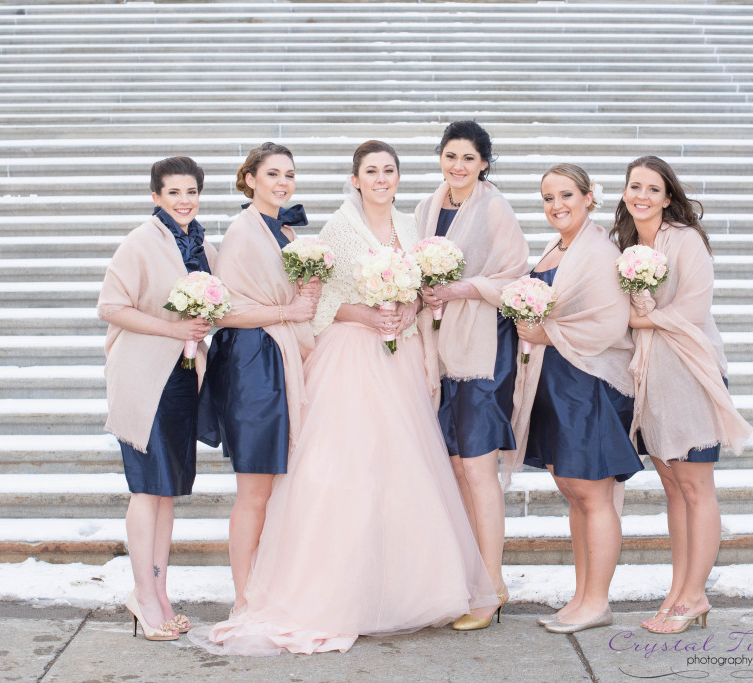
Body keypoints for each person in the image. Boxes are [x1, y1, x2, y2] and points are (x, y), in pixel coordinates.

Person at [190, 140, 497, 657]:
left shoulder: (411, 227)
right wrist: (366, 314)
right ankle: (334, 591)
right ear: (355, 179)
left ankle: (399, 591)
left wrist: (405, 310)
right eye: (371, 171)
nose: (381, 179)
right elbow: (323, 300)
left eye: (389, 170)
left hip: (400, 356)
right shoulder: (336, 227)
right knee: (344, 472)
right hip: (351, 355)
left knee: (402, 472)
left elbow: (421, 291)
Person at [610, 156, 753, 635]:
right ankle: (680, 590)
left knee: (697, 487)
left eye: (653, 188)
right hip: (652, 379)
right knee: (673, 487)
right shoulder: (624, 243)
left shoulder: (685, 240)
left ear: (668, 196)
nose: (642, 196)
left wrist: (636, 319)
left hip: (690, 372)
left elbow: (694, 307)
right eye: (635, 187)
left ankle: (695, 594)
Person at [507, 164, 643, 634]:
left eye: (566, 195)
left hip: (587, 386)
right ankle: (582, 597)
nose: (556, 205)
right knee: (573, 493)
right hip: (555, 382)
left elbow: (609, 323)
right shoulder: (556, 246)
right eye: (547, 198)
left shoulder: (599, 251)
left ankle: (598, 601)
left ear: (589, 198)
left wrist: (545, 332)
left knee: (592, 493)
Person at [196, 143, 320, 616]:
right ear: (250, 179)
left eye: (289, 174)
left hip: (279, 355)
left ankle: (269, 584)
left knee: (274, 486)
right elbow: (226, 310)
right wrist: (287, 310)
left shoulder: (284, 229)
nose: (283, 182)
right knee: (254, 488)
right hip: (252, 364)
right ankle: (244, 597)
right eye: (272, 174)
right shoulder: (244, 233)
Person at [97, 156, 217, 641]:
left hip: (184, 377)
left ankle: (159, 594)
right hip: (144, 376)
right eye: (174, 193)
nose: (184, 200)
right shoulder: (141, 241)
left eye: (191, 191)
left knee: (167, 492)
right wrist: (173, 326)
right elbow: (110, 305)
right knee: (147, 488)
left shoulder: (201, 242)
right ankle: (143, 597)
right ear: (156, 197)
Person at [416, 121, 529, 629]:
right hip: (437, 350)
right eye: (450, 156)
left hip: (481, 350)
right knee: (456, 467)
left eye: (468, 158)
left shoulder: (493, 207)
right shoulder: (426, 207)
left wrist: (459, 290)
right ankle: (468, 577)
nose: (457, 166)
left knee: (479, 468)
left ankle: (492, 586)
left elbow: (513, 271)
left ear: (484, 162)